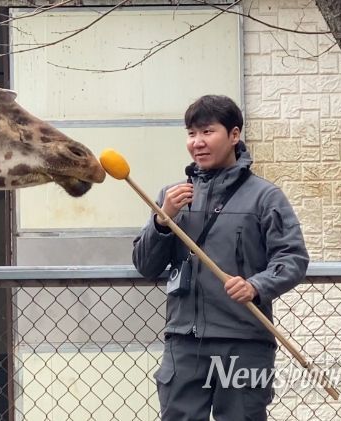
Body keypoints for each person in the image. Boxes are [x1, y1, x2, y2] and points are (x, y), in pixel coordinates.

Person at [132, 95, 309, 421]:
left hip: (244, 342)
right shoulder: (172, 198)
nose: (197, 142)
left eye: (207, 132)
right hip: (184, 341)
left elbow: (293, 258)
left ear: (234, 134)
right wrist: (162, 220)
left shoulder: (265, 197)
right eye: (191, 133)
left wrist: (256, 286)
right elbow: (145, 265)